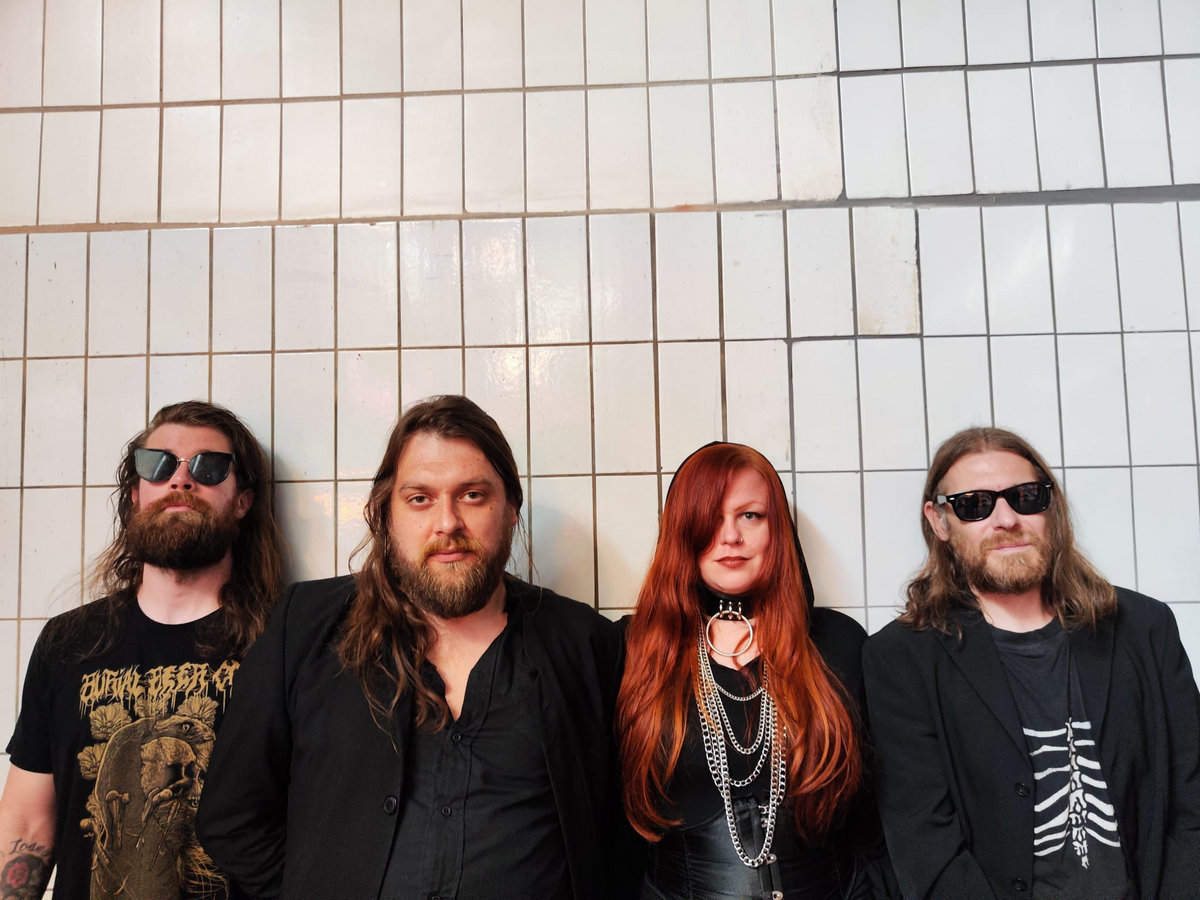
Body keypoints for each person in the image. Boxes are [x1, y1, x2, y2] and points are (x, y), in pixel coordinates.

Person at [195, 394, 626, 900]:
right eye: (420, 499)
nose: (447, 523)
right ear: (386, 514)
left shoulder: (585, 645)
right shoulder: (305, 626)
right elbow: (232, 816)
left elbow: (622, 833)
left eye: (472, 495)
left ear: (511, 508)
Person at [863, 426, 1200, 900]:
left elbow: (1191, 799)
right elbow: (925, 845)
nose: (1006, 519)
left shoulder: (1143, 628)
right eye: (974, 504)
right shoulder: (901, 660)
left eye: (1025, 497)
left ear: (1050, 508)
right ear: (939, 522)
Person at [0, 400, 285, 900]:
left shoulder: (285, 641)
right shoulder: (67, 642)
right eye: (158, 465)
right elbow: (27, 820)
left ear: (243, 501)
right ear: (135, 495)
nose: (181, 480)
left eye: (209, 467)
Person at [617, 442, 891, 900]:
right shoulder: (633, 648)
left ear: (776, 528)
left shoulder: (838, 642)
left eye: (750, 515)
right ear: (682, 529)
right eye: (711, 517)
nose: (730, 536)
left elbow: (878, 813)